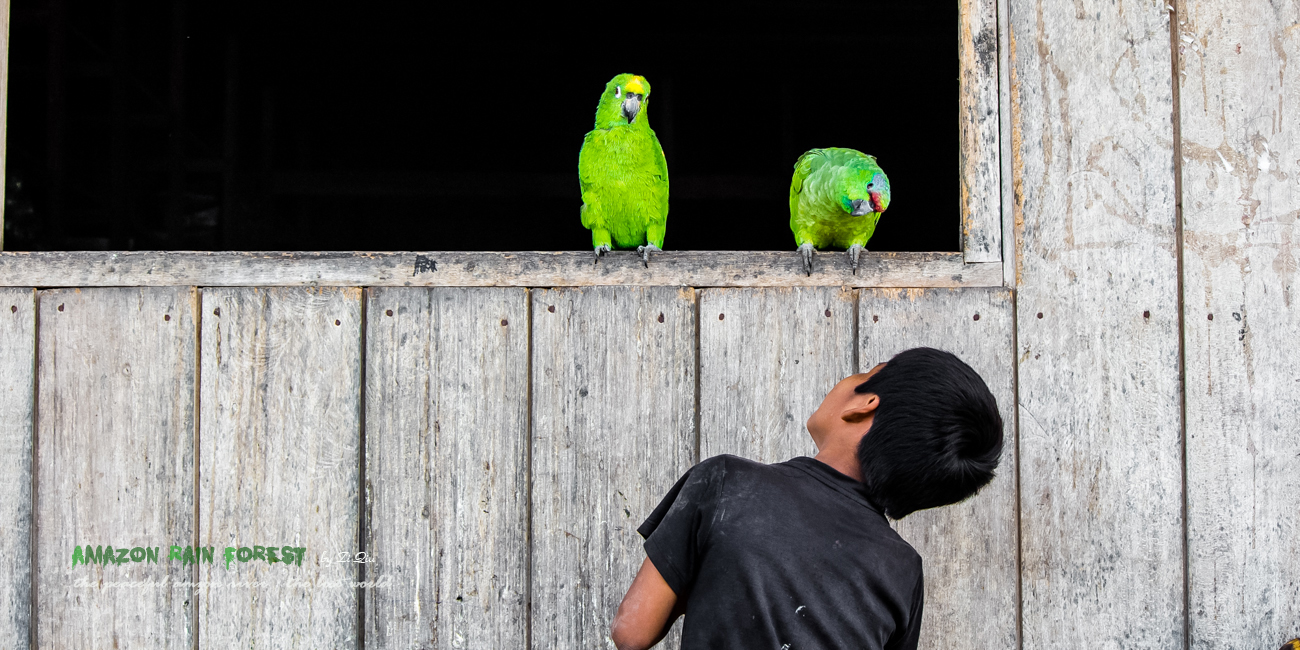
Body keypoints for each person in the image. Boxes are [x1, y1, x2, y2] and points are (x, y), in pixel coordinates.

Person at [609, 347, 1004, 650]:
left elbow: (631, 632)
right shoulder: (903, 570)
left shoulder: (726, 482)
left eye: (866, 372)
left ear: (864, 404)